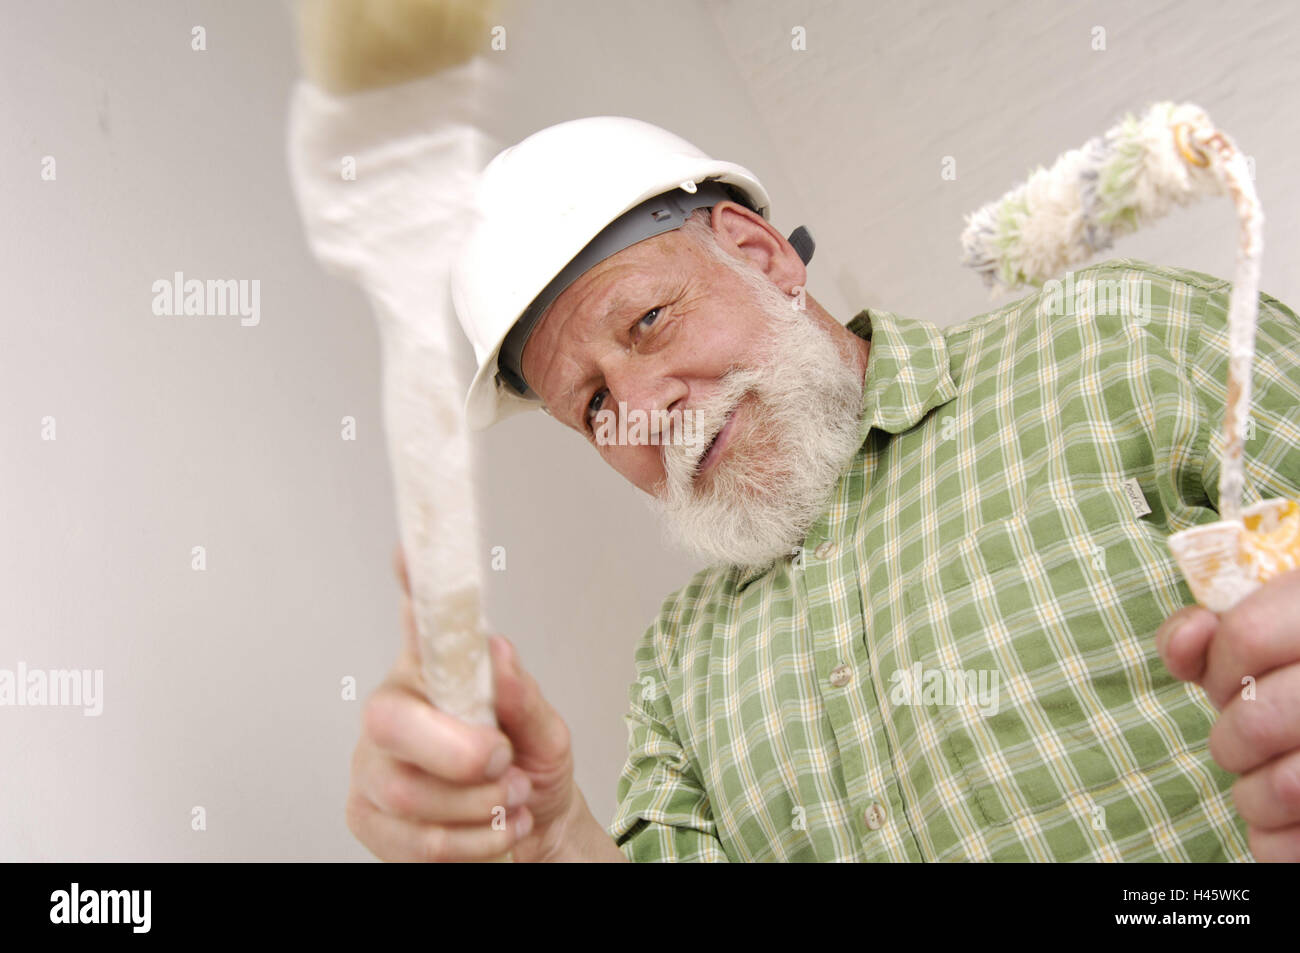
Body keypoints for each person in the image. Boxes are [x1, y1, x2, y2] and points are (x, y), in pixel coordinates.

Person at [291, 0, 1300, 862]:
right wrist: (551, 841)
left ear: (762, 253)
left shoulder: (1122, 345)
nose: (642, 406)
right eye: (594, 404)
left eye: (648, 321)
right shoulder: (680, 663)